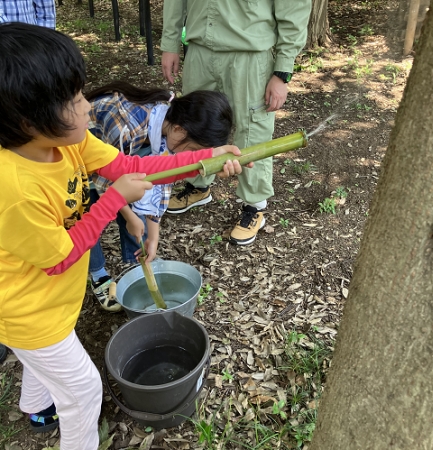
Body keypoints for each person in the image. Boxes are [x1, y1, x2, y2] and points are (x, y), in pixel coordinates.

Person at [0, 23, 244, 450]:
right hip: (28, 310)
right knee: (84, 392)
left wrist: (208, 157)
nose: (88, 108)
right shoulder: (15, 189)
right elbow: (59, 258)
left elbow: (139, 169)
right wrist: (112, 202)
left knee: (42, 365)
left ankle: (35, 409)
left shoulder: (67, 143)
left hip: (51, 300)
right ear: (28, 119)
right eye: (74, 100)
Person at [161, 0, 312, 245]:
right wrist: (170, 43)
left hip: (249, 52)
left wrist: (283, 70)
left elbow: (294, 7)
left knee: (253, 129)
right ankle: (198, 185)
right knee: (196, 123)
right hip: (200, 48)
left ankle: (255, 205)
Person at [86, 82, 233, 311]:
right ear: (179, 131)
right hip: (81, 167)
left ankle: (134, 262)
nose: (192, 159)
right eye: (194, 151)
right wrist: (131, 217)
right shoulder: (126, 125)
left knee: (138, 211)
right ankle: (98, 274)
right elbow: (106, 181)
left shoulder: (168, 124)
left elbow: (160, 180)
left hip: (120, 162)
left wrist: (152, 237)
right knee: (86, 214)